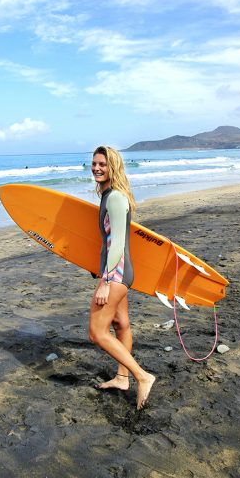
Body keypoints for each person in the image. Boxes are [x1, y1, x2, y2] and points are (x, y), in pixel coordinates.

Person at [90, 146, 156, 410]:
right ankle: (122, 378)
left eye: (102, 164)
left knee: (97, 332)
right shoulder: (109, 195)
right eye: (93, 164)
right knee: (121, 324)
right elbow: (109, 242)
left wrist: (105, 280)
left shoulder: (115, 197)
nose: (96, 168)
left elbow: (116, 242)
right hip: (120, 270)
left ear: (113, 167)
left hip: (116, 274)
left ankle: (142, 376)